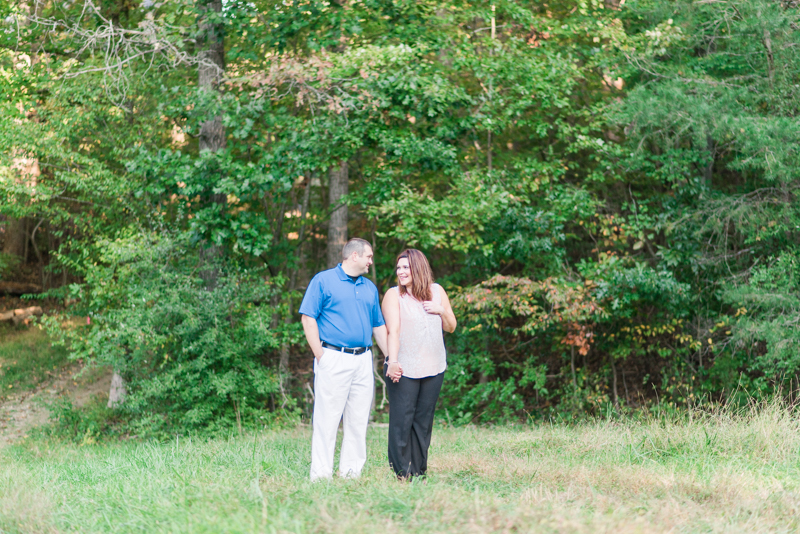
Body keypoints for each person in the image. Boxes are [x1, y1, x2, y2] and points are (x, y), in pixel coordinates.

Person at [299, 238, 388, 481]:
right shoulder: (323, 280)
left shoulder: (369, 287)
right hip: (333, 357)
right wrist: (320, 355)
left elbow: (378, 325)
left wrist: (390, 357)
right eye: (368, 256)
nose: (371, 261)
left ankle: (351, 474)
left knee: (358, 421)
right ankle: (321, 476)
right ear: (354, 256)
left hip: (363, 360)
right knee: (327, 420)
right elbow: (308, 318)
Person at [381, 248, 457, 479]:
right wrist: (392, 362)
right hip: (404, 367)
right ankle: (401, 474)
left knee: (423, 421)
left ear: (419, 268)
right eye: (399, 267)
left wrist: (441, 310)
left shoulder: (437, 291)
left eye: (406, 267)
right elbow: (392, 331)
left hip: (434, 368)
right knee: (402, 421)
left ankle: (419, 471)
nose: (401, 271)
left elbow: (451, 326)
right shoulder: (394, 295)